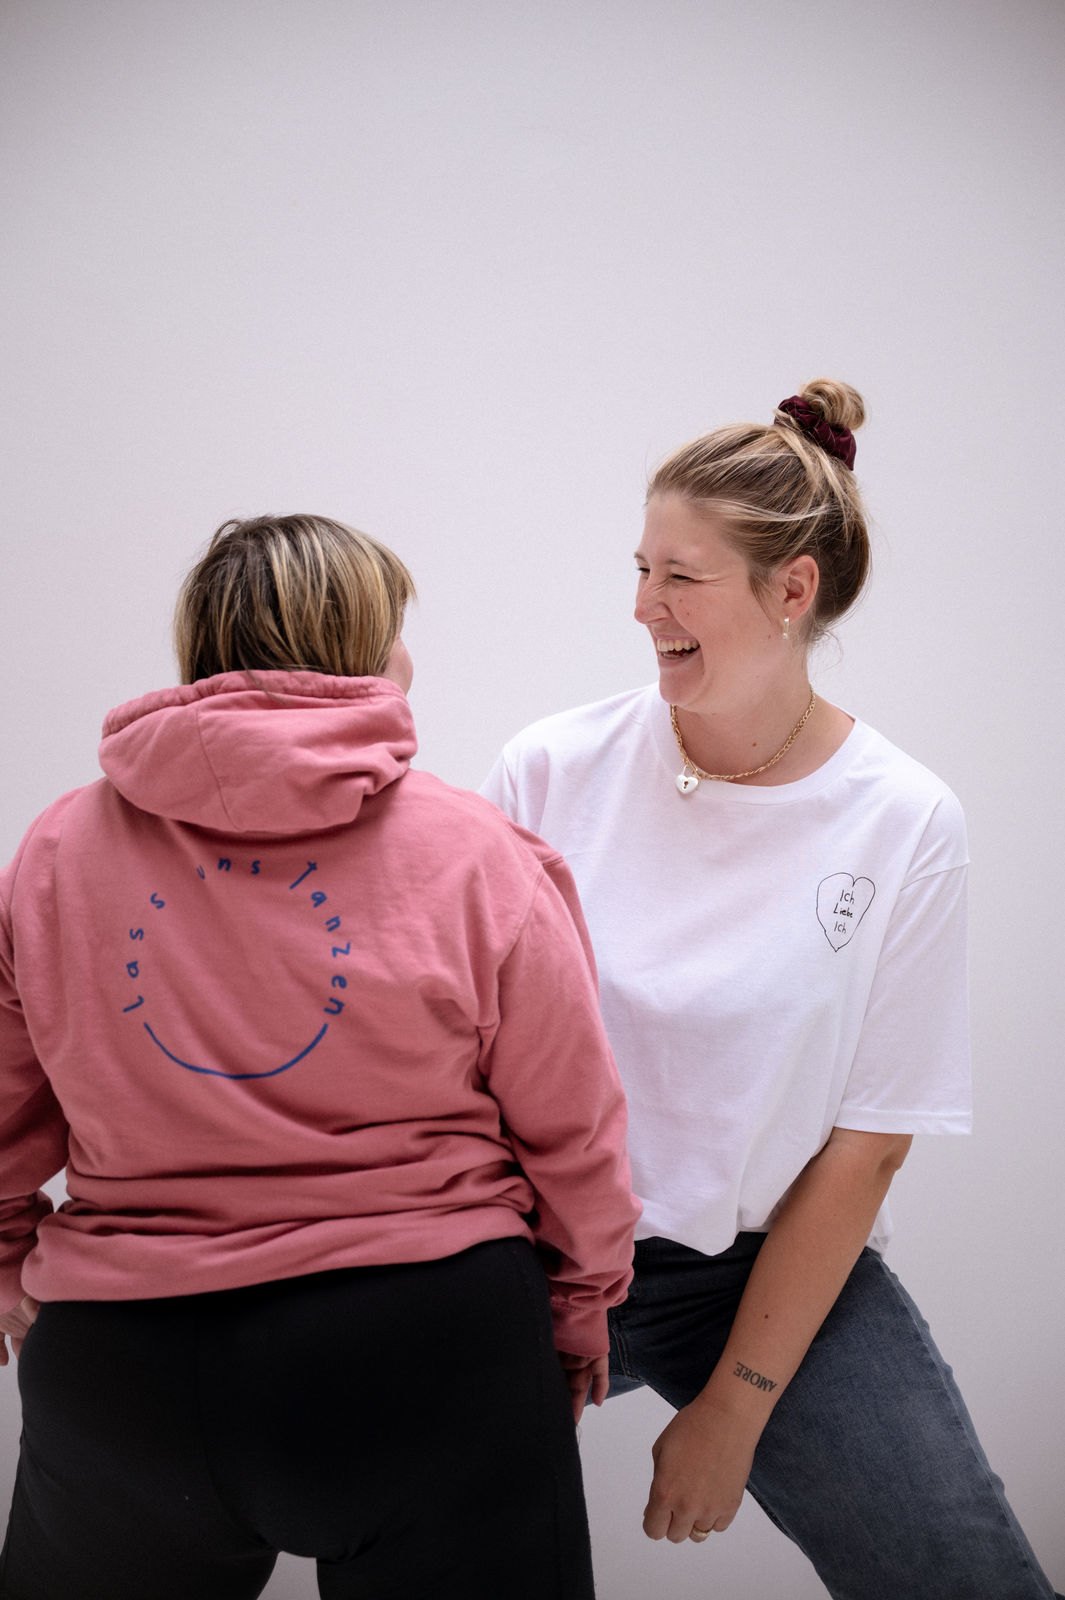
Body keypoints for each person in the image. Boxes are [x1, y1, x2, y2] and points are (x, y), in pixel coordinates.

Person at [482, 382, 1062, 1599]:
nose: (642, 606)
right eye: (640, 569)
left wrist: (735, 1410)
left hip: (756, 1266)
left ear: (792, 589)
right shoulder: (550, 769)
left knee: (961, 1575)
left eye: (680, 577)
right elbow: (463, 1050)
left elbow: (870, 1141)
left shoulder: (904, 819)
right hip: (534, 1248)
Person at [0, 513, 639, 1600]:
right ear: (362, 654)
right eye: (397, 634)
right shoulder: (478, 854)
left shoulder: (54, 851)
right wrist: (579, 1306)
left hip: (127, 1364)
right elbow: (573, 1125)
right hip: (427, 1350)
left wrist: (9, 1259)